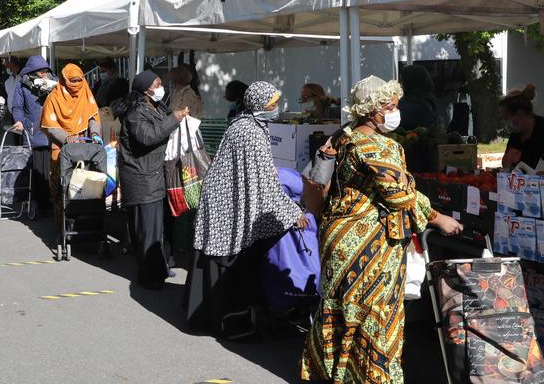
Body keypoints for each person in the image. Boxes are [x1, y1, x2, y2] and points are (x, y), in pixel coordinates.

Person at [300, 75, 463, 383]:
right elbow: (400, 197)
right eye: (389, 105)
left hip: (339, 237)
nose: (395, 110)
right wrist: (439, 218)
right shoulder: (379, 146)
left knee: (343, 308)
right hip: (370, 243)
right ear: (372, 110)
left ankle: (333, 373)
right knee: (374, 312)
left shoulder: (343, 136)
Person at [183, 81, 309, 338]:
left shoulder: (246, 124)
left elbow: (258, 175)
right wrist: (293, 212)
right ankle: (228, 322)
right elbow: (264, 184)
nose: (276, 108)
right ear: (259, 104)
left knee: (217, 262)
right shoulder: (250, 132)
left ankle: (207, 317)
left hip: (223, 201)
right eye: (272, 104)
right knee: (230, 266)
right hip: (228, 205)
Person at [114, 70, 188, 290]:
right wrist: (174, 118)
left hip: (154, 176)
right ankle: (149, 276)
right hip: (142, 179)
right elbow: (148, 137)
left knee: (158, 229)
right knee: (147, 230)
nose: (161, 87)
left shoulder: (154, 107)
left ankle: (159, 268)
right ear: (147, 89)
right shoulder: (136, 112)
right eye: (157, 84)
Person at [40, 64, 102, 224]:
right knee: (61, 188)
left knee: (85, 188)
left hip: (84, 147)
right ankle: (62, 226)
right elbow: (50, 126)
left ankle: (85, 224)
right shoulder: (53, 98)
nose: (76, 84)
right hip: (61, 148)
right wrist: (67, 138)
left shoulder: (85, 93)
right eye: (72, 81)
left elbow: (93, 116)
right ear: (64, 80)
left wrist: (95, 133)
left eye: (79, 80)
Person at [12, 56, 56, 212]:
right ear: (32, 71)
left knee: (55, 169)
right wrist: (19, 120)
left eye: (46, 71)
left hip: (55, 131)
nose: (44, 74)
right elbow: (17, 106)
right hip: (34, 131)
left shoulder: (54, 82)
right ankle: (42, 203)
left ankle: (54, 201)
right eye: (41, 72)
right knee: (38, 169)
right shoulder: (22, 84)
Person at [500, 83, 544, 170]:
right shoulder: (515, 135)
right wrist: (507, 159)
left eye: (507, 119)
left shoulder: (541, 128)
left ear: (519, 114)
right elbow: (506, 166)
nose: (506, 124)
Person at [398, 64, 438, 130]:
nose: (400, 84)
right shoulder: (428, 100)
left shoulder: (418, 106)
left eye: (402, 81)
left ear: (411, 83)